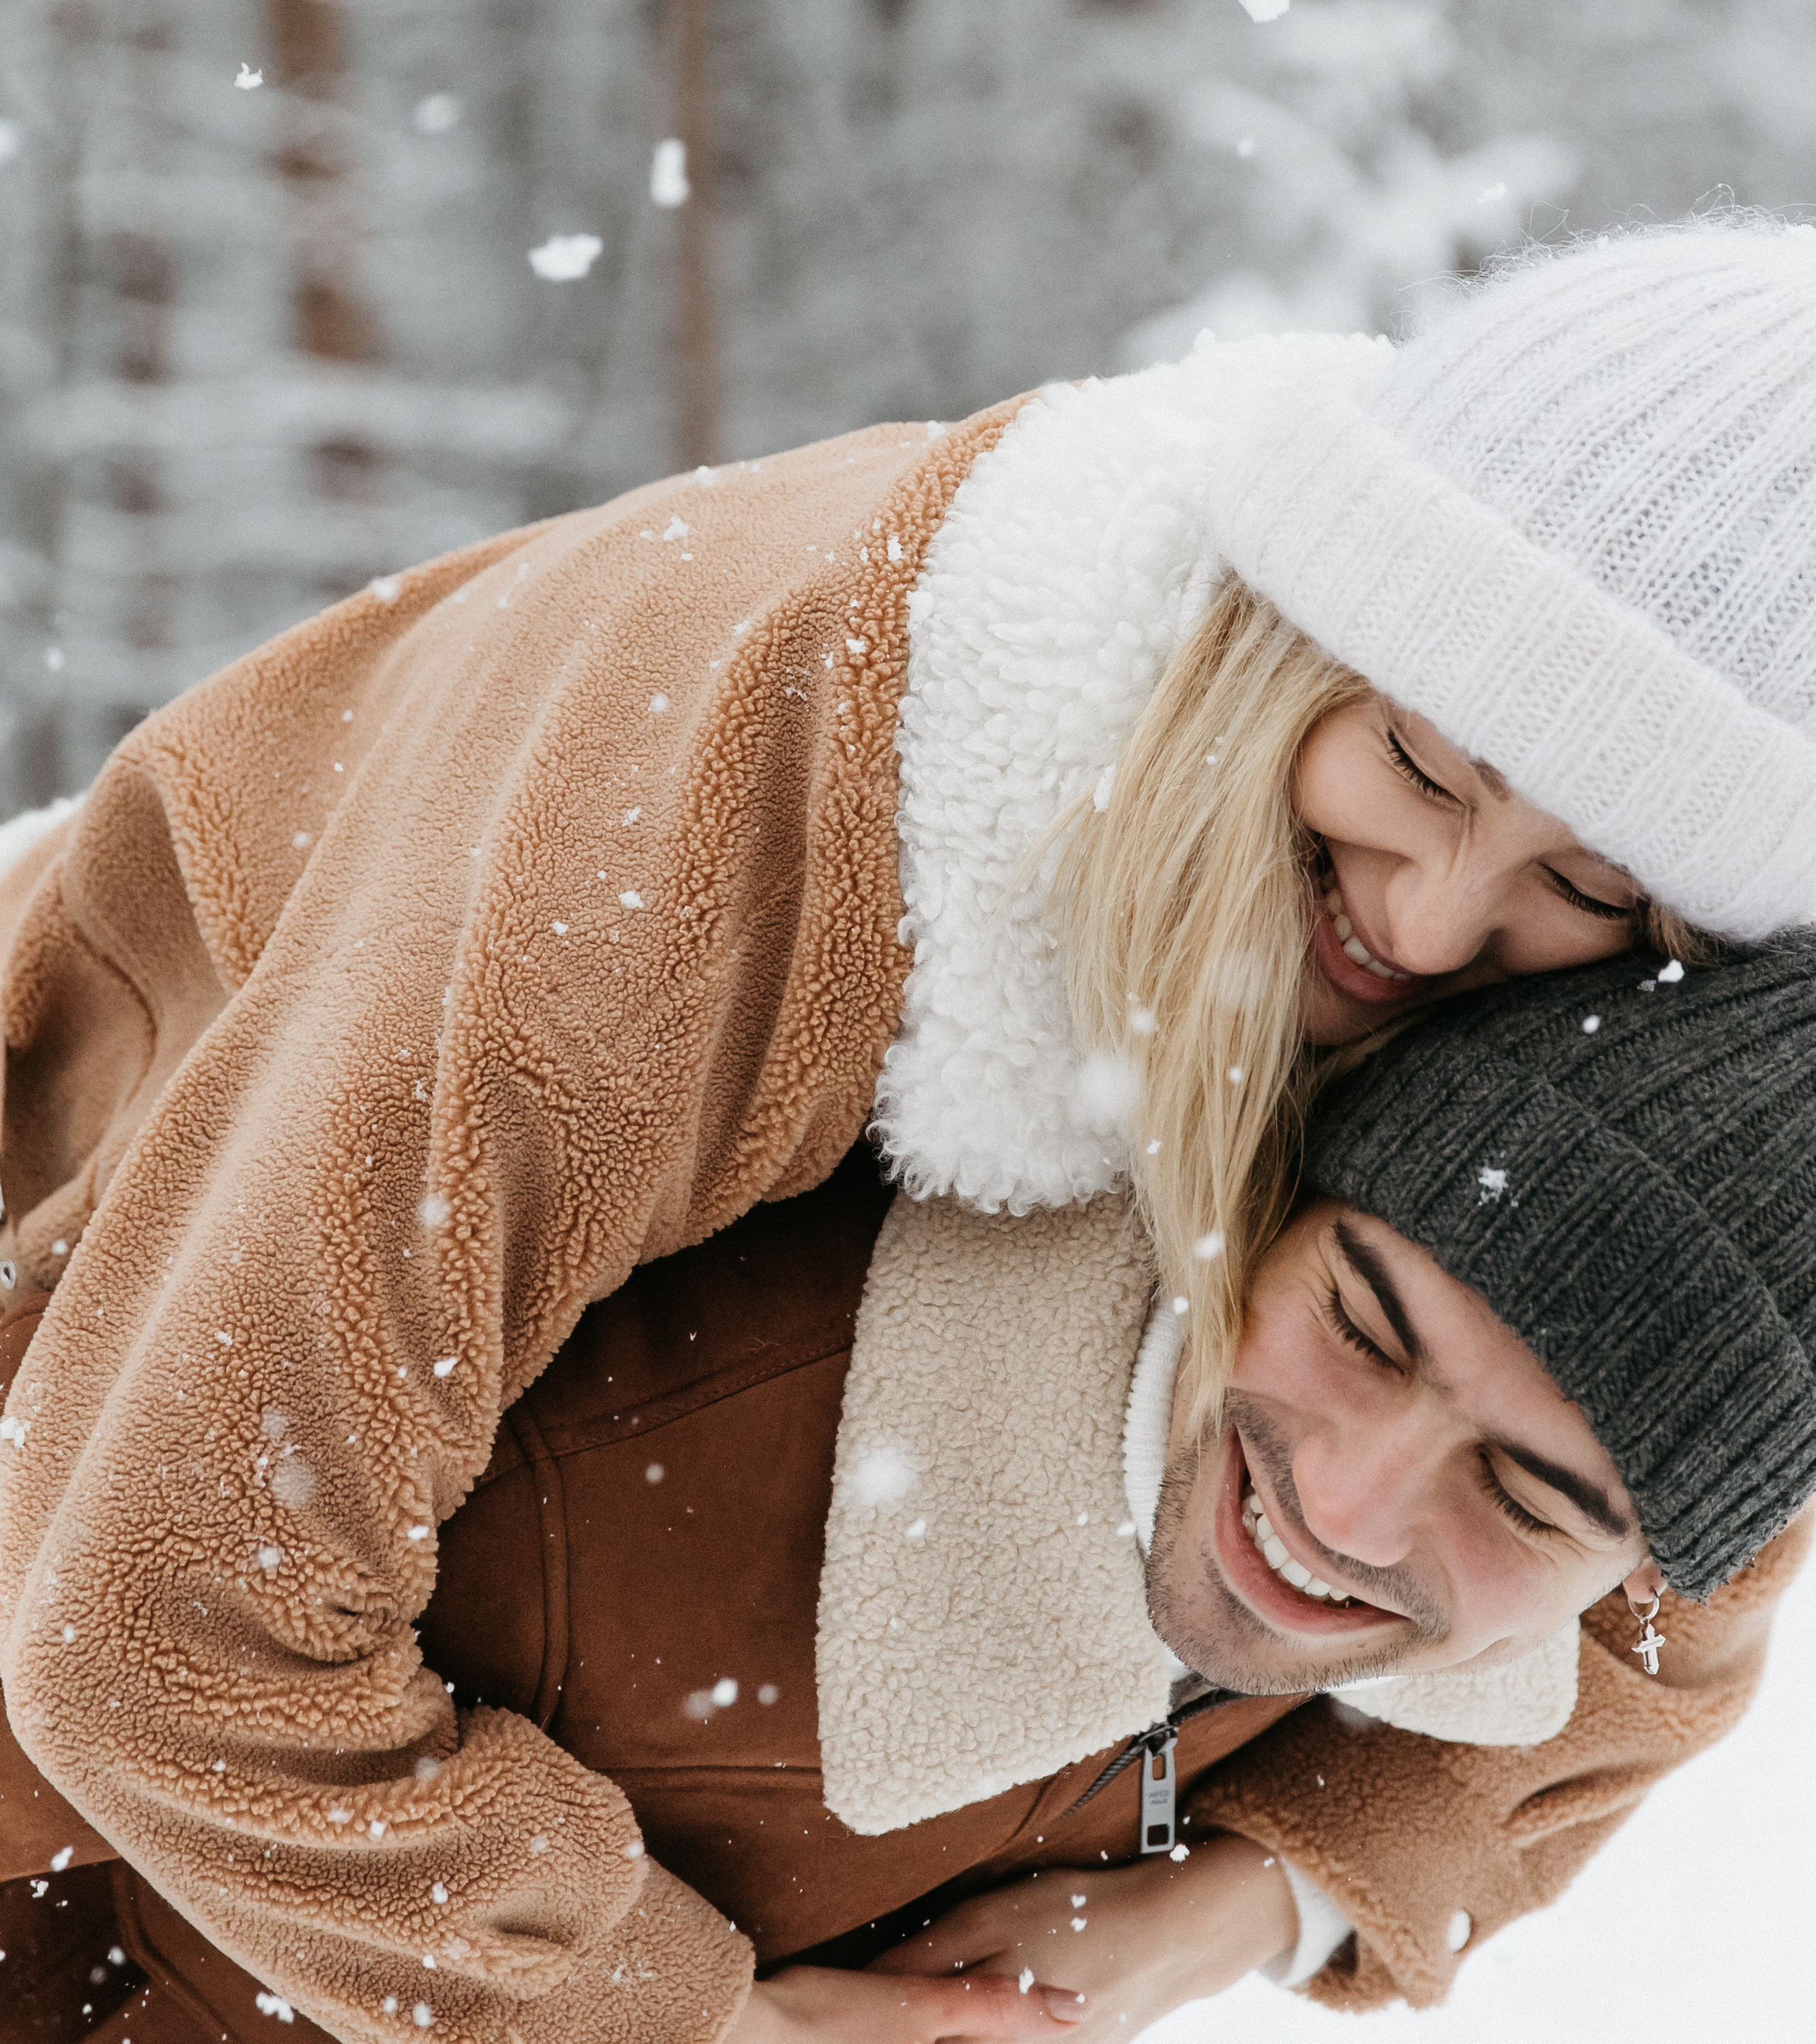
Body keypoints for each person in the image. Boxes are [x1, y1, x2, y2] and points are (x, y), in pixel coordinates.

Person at [0, 219, 1813, 2040]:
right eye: (1412, 767)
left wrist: (1238, 1900)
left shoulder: (1608, 995)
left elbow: (1685, 1536)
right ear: (1293, 619)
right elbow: (150, 1621)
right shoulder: (680, 863)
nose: (1423, 926)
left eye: (1580, 887)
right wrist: (698, 2024)